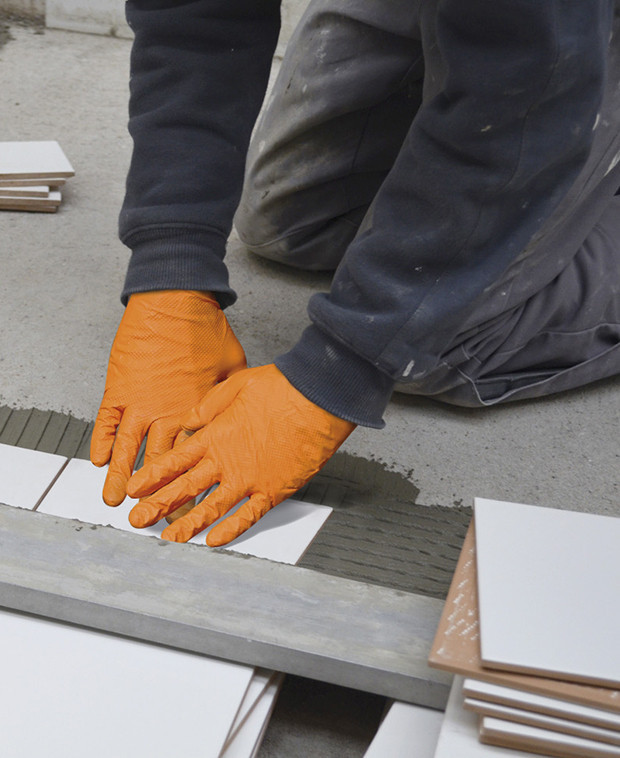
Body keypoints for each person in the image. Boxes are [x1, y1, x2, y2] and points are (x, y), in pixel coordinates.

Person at [91, 0, 620, 547]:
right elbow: (197, 15)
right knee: (293, 227)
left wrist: (344, 369)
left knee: (440, 342)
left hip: (553, 30)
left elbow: (530, 86)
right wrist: (171, 266)